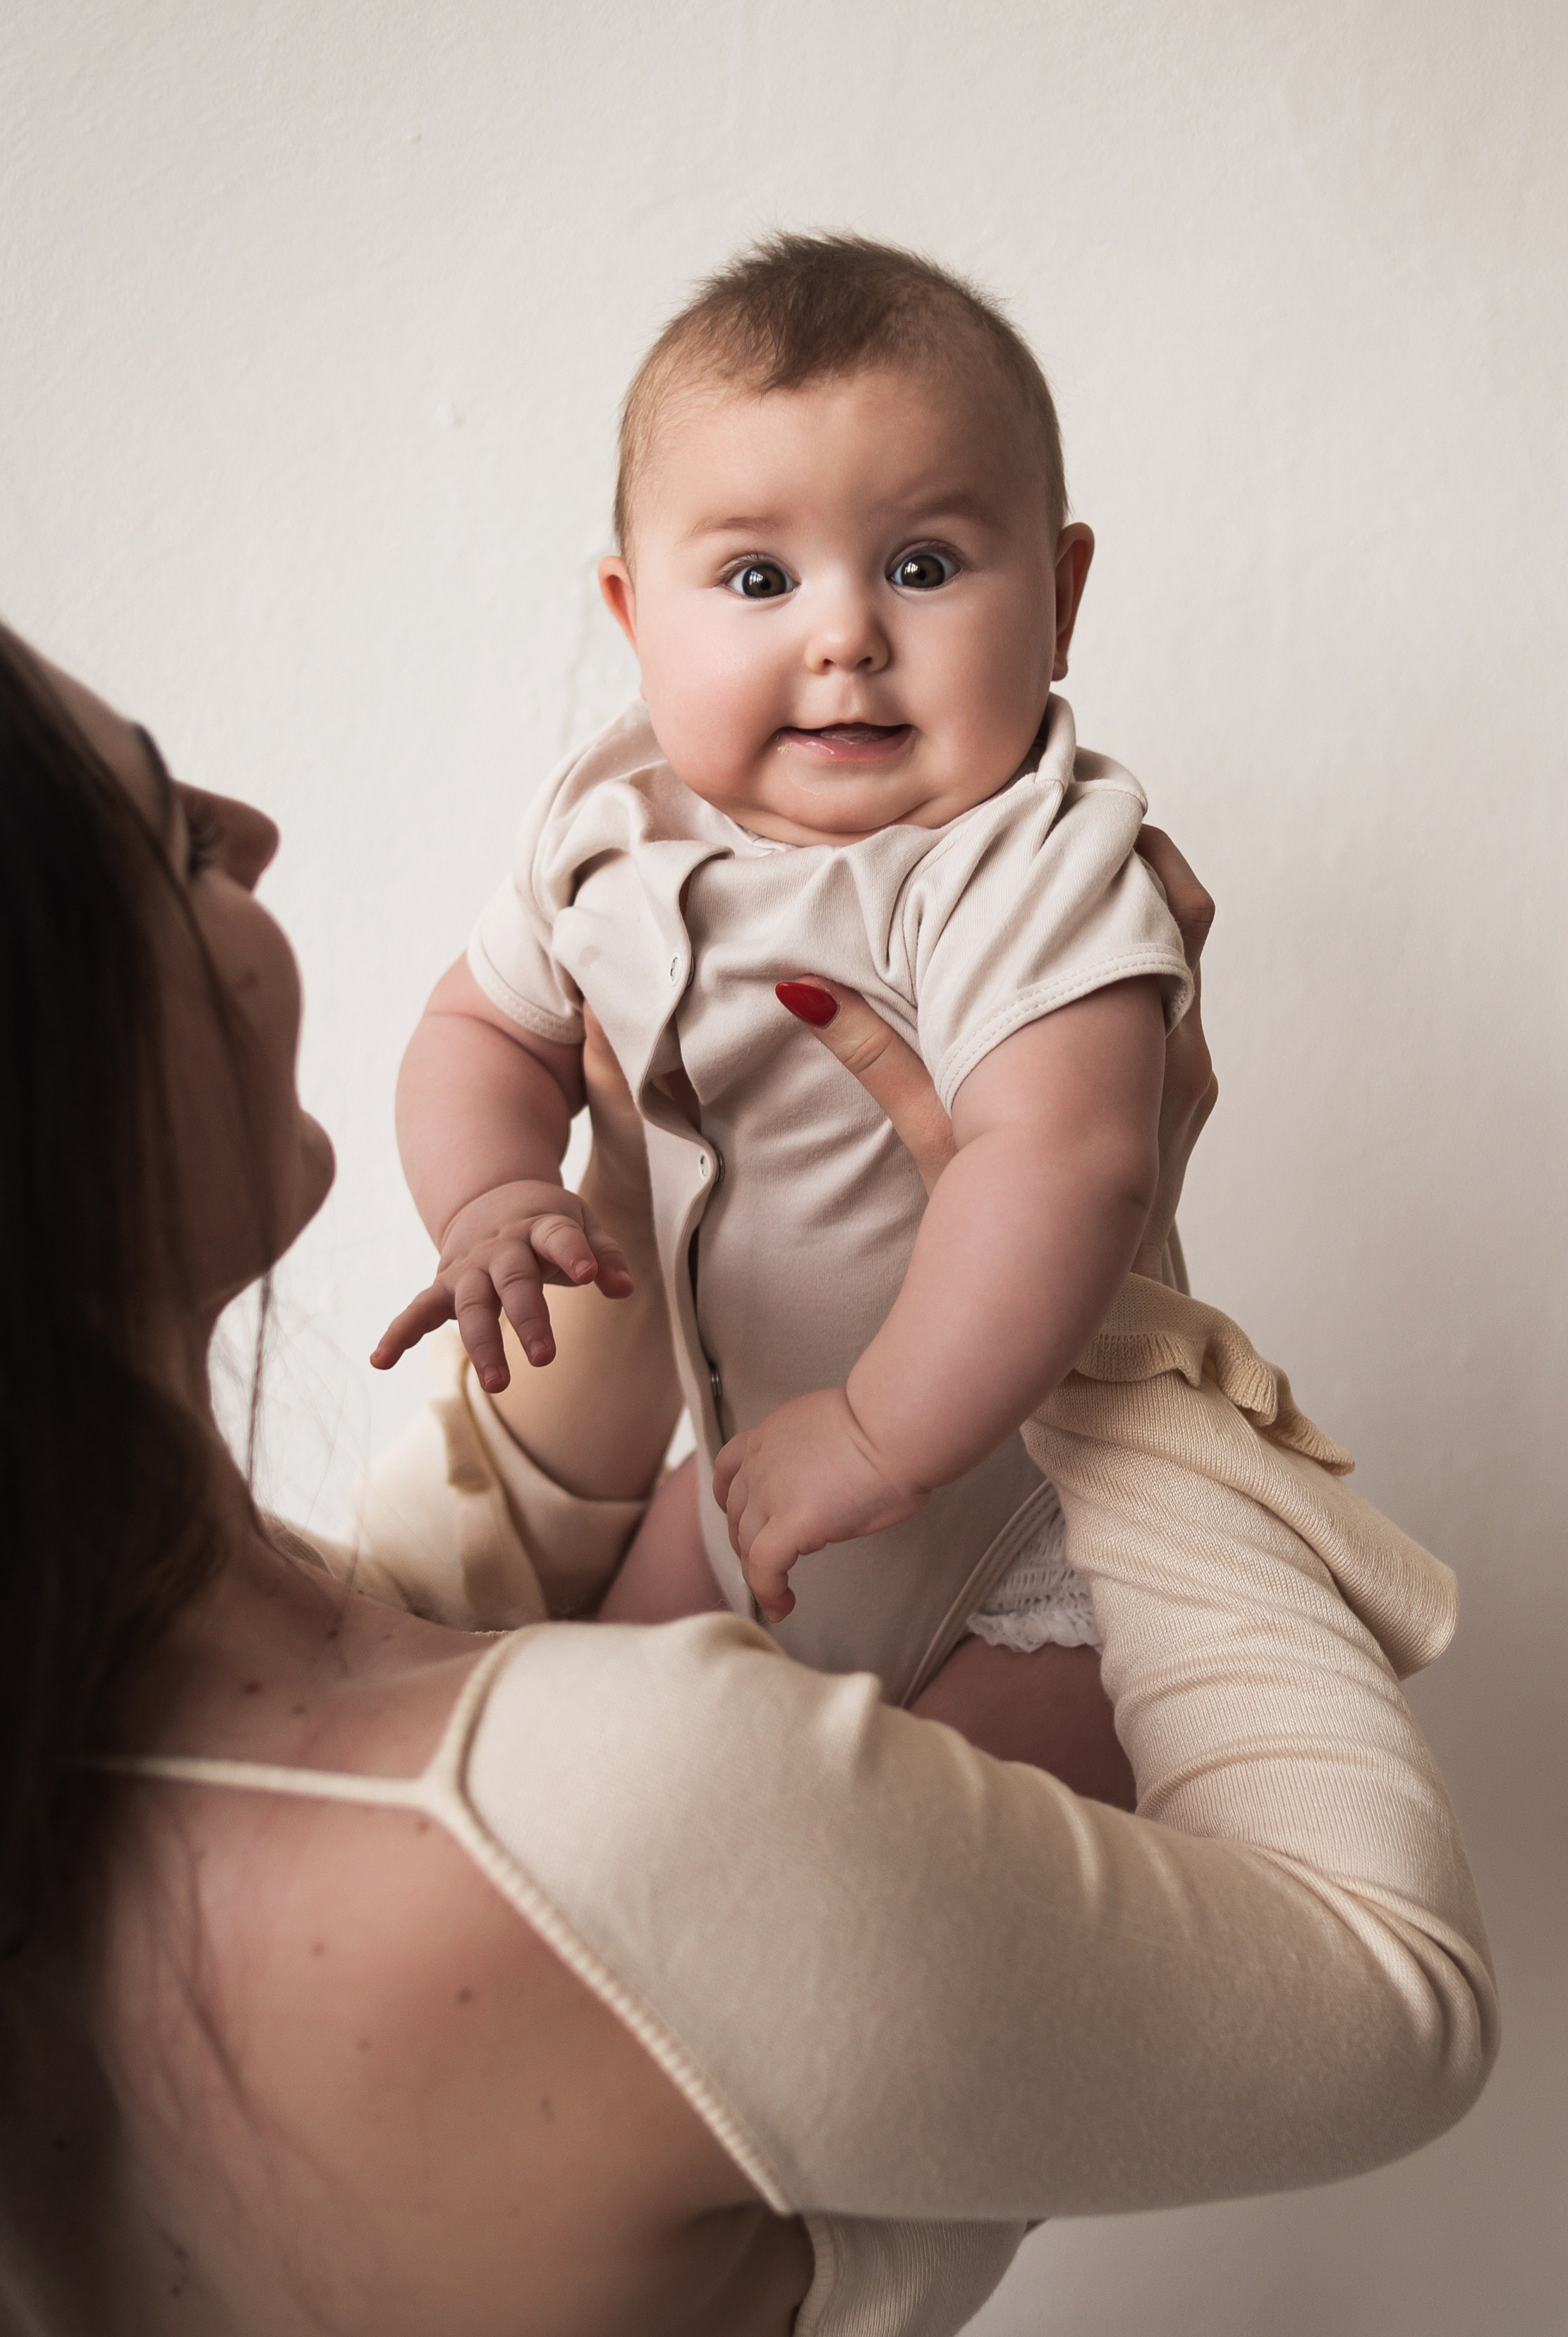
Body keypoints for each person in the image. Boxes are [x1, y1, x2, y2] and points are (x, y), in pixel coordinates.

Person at [0, 533, 1493, 2337]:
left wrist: (635, 1184)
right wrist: (1098, 1288)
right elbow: (1392, 1996)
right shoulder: (618, 1821)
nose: (250, 829)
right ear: (11, 1076)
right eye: (171, 838)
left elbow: (443, 1596)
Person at [373, 233, 1196, 1747]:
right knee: (598, 1755)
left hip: (1021, 1526)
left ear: (1062, 596)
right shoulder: (609, 819)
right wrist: (491, 1190)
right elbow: (481, 1024)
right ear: (633, 616)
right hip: (745, 1475)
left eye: (922, 566)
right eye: (758, 577)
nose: (844, 636)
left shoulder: (1022, 857)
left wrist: (882, 1433)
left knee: (944, 1849)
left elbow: (1067, 1160)